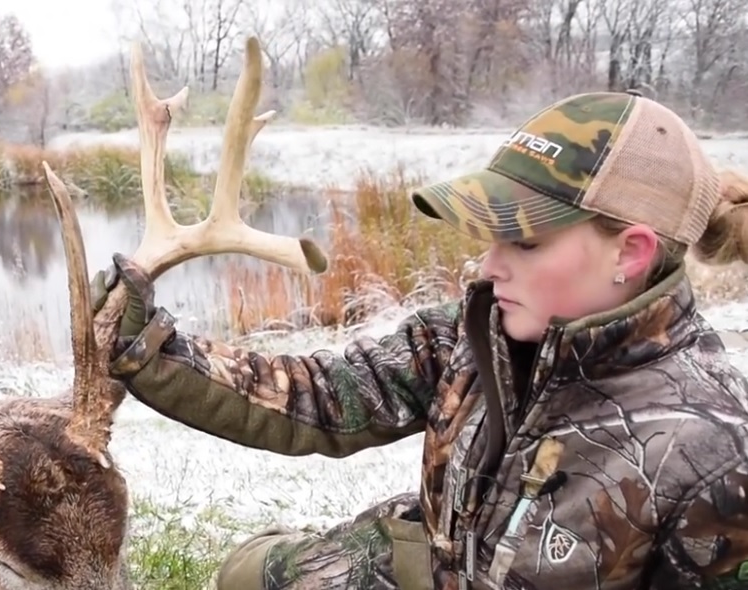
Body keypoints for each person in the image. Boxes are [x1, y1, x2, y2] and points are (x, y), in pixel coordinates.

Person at [90, 90, 748, 590]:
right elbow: (324, 396)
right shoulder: (476, 331)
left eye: (522, 240)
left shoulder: (713, 461)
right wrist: (150, 346)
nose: (488, 267)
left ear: (628, 253)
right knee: (246, 572)